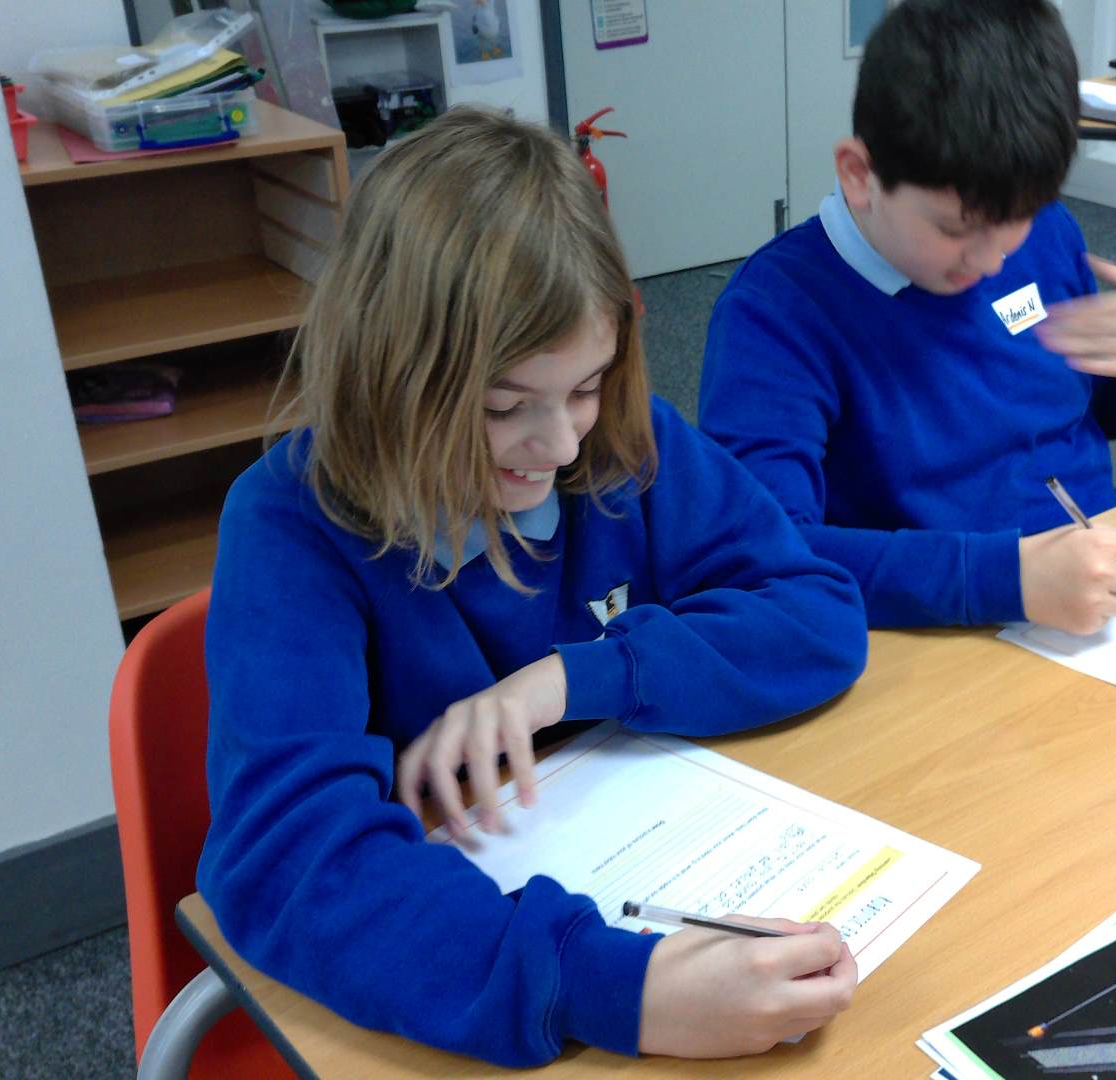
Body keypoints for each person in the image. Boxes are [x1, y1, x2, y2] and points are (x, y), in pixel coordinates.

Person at [197, 107, 868, 1067]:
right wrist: (616, 991)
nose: (557, 445)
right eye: (504, 406)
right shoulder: (289, 527)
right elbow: (292, 863)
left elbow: (814, 612)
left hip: (624, 874)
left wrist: (568, 679)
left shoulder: (622, 445)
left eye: (586, 387)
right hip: (457, 975)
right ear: (391, 379)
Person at [698, 0, 1116, 635]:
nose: (993, 261)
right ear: (859, 175)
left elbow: (1077, 416)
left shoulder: (1044, 233)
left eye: (1018, 221)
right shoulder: (774, 313)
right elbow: (761, 553)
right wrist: (1003, 580)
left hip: (1095, 605)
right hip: (926, 636)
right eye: (955, 229)